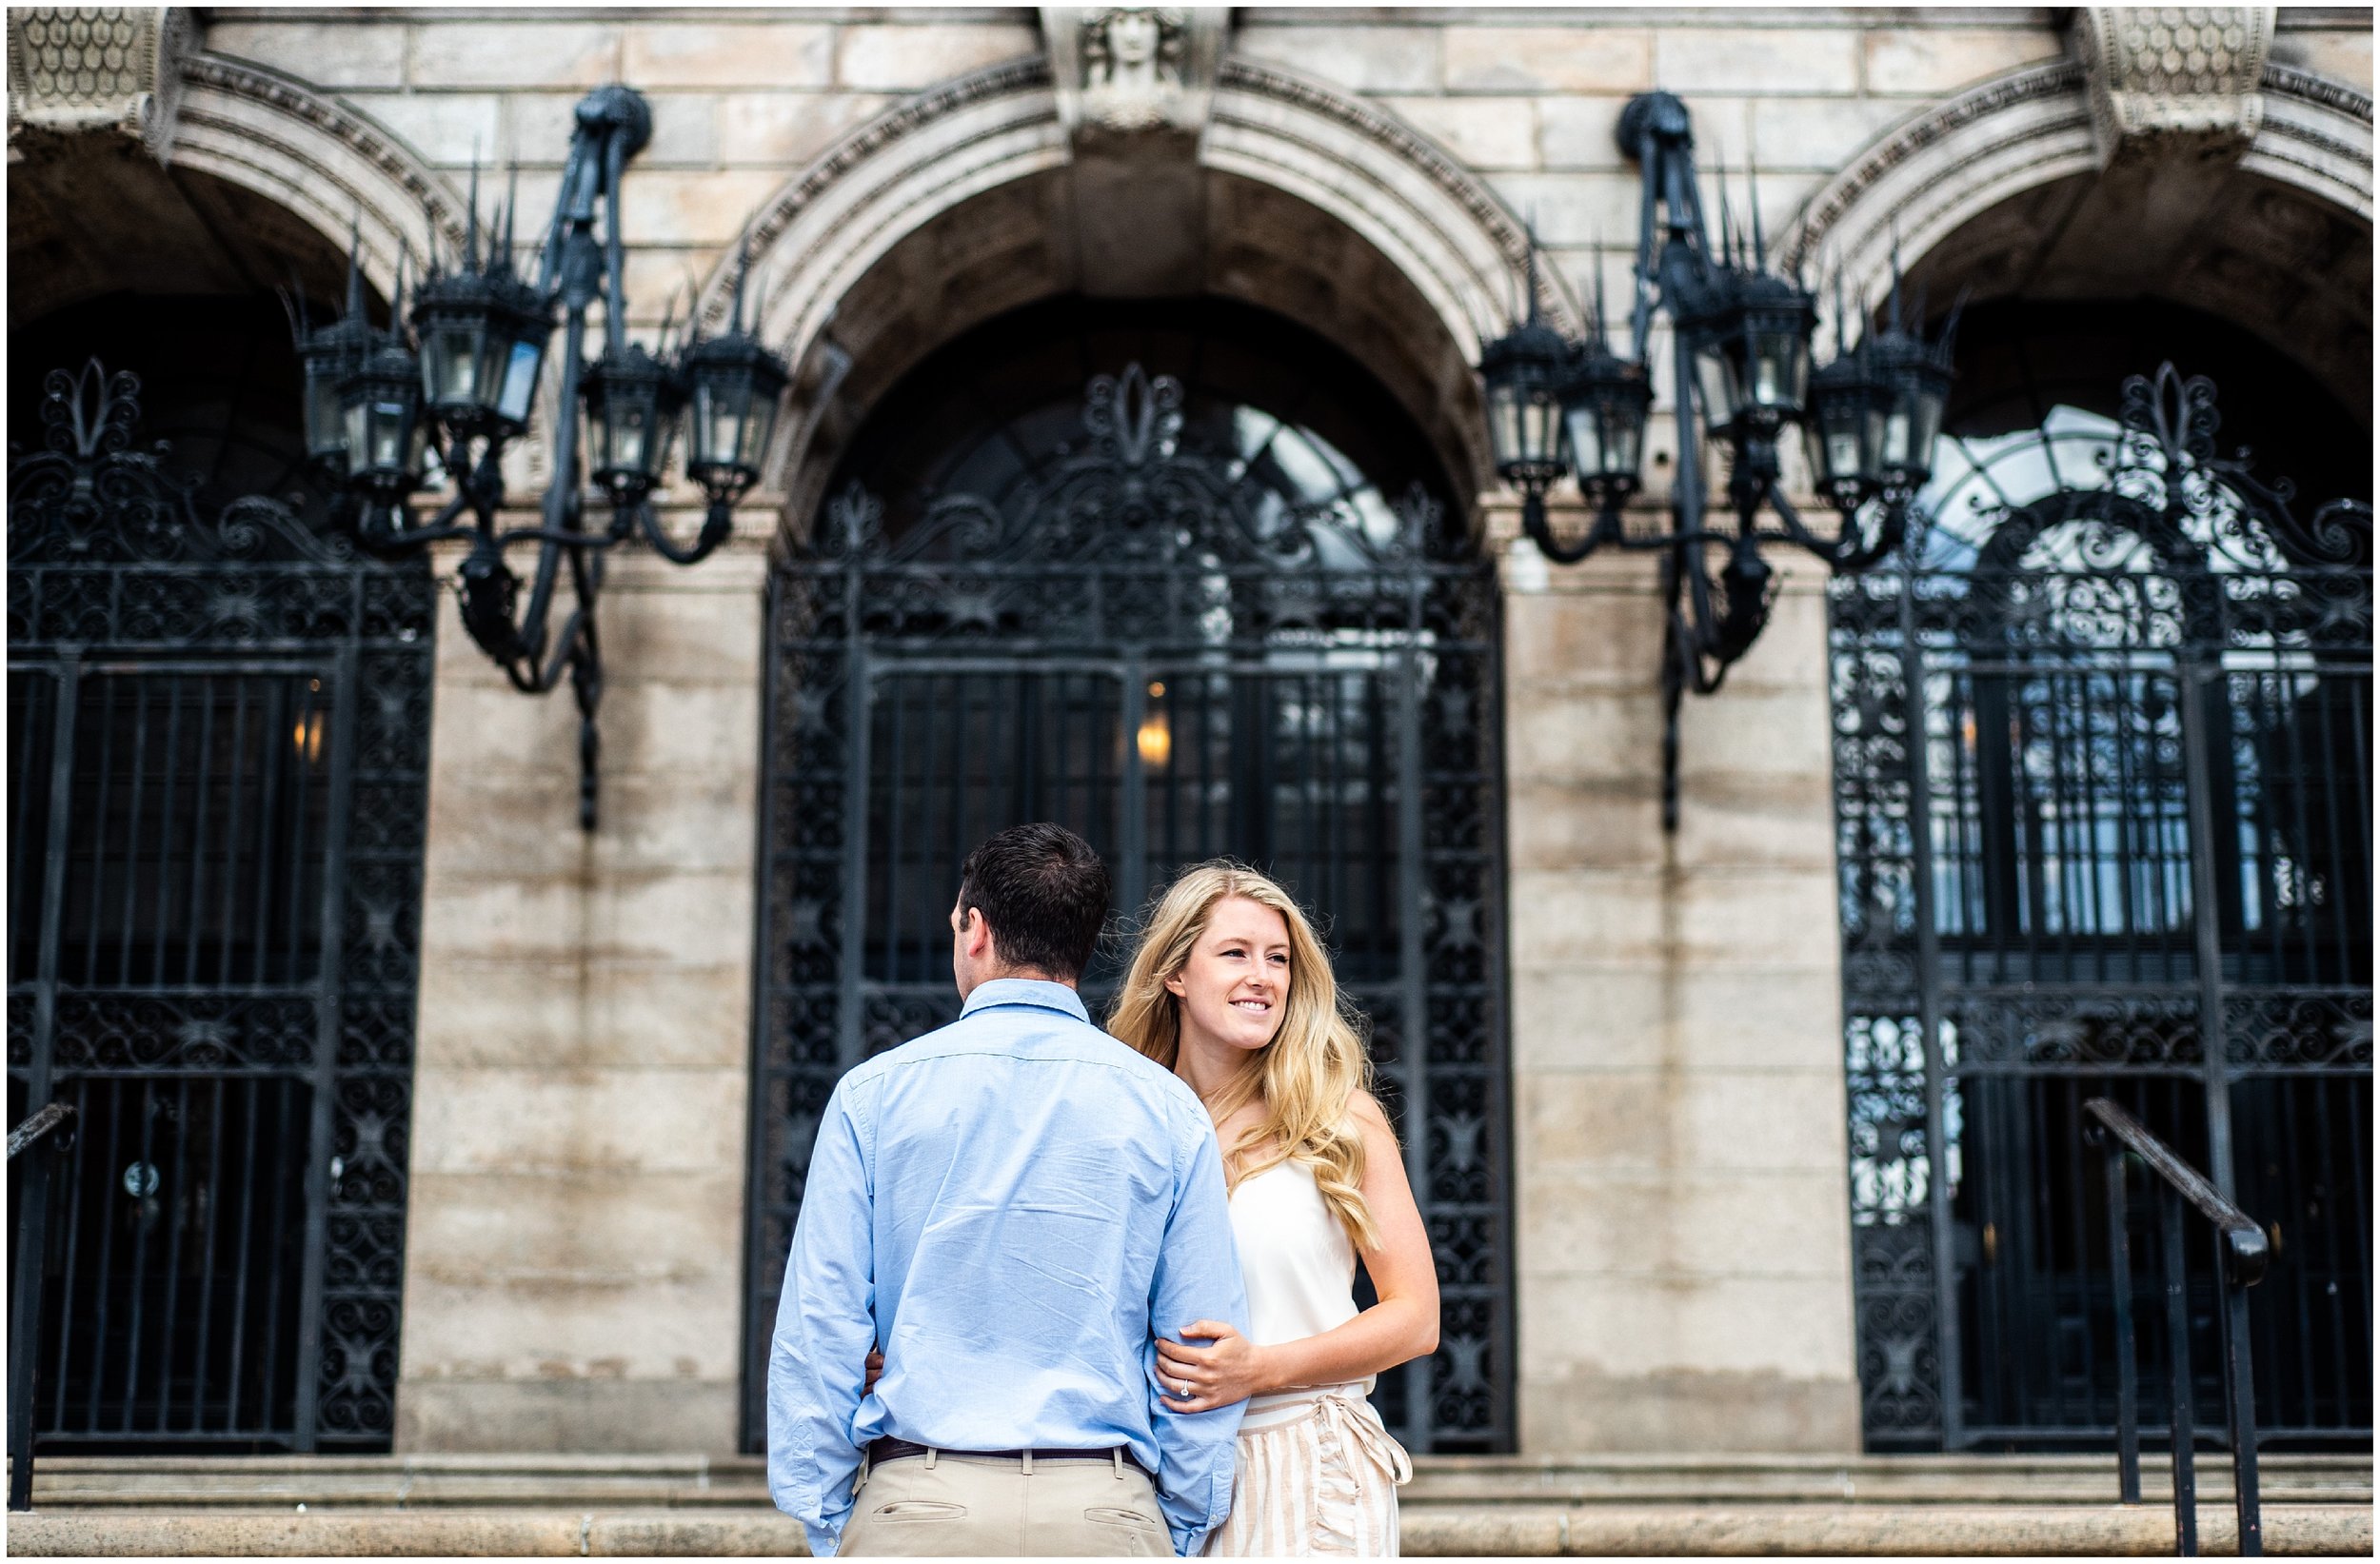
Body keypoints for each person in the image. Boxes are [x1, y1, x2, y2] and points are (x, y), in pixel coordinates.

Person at [767, 823, 1249, 1557]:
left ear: (976, 930)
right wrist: (1176, 1522)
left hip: (918, 1501)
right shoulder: (1167, 1108)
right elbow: (1198, 1346)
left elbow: (820, 1327)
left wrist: (830, 1518)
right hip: (1104, 1507)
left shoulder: (874, 1095)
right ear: (1084, 945)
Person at [1109, 861, 1440, 1557]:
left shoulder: (1339, 1117)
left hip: (1309, 1461)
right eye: (1235, 953)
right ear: (1175, 973)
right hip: (1157, 1471)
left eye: (1279, 958)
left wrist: (1261, 1368)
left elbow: (1416, 1317)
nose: (1263, 975)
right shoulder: (1130, 1120)